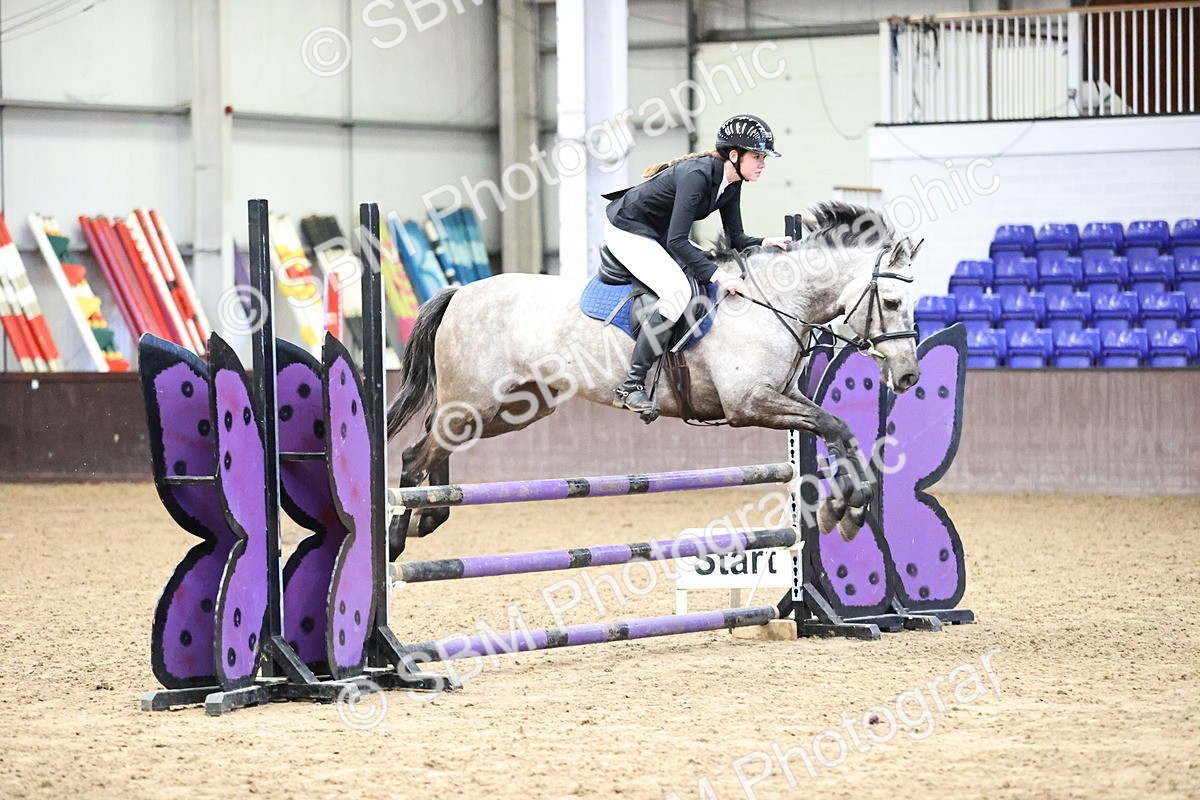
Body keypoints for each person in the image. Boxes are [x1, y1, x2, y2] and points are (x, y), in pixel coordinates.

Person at [602, 113, 792, 414]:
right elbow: (678, 241)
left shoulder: (731, 182)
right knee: (677, 292)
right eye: (757, 156)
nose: (763, 163)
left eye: (763, 157)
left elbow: (736, 238)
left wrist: (764, 242)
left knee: (706, 267)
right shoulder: (698, 176)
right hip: (628, 229)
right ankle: (631, 384)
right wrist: (721, 277)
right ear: (735, 155)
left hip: (660, 232)